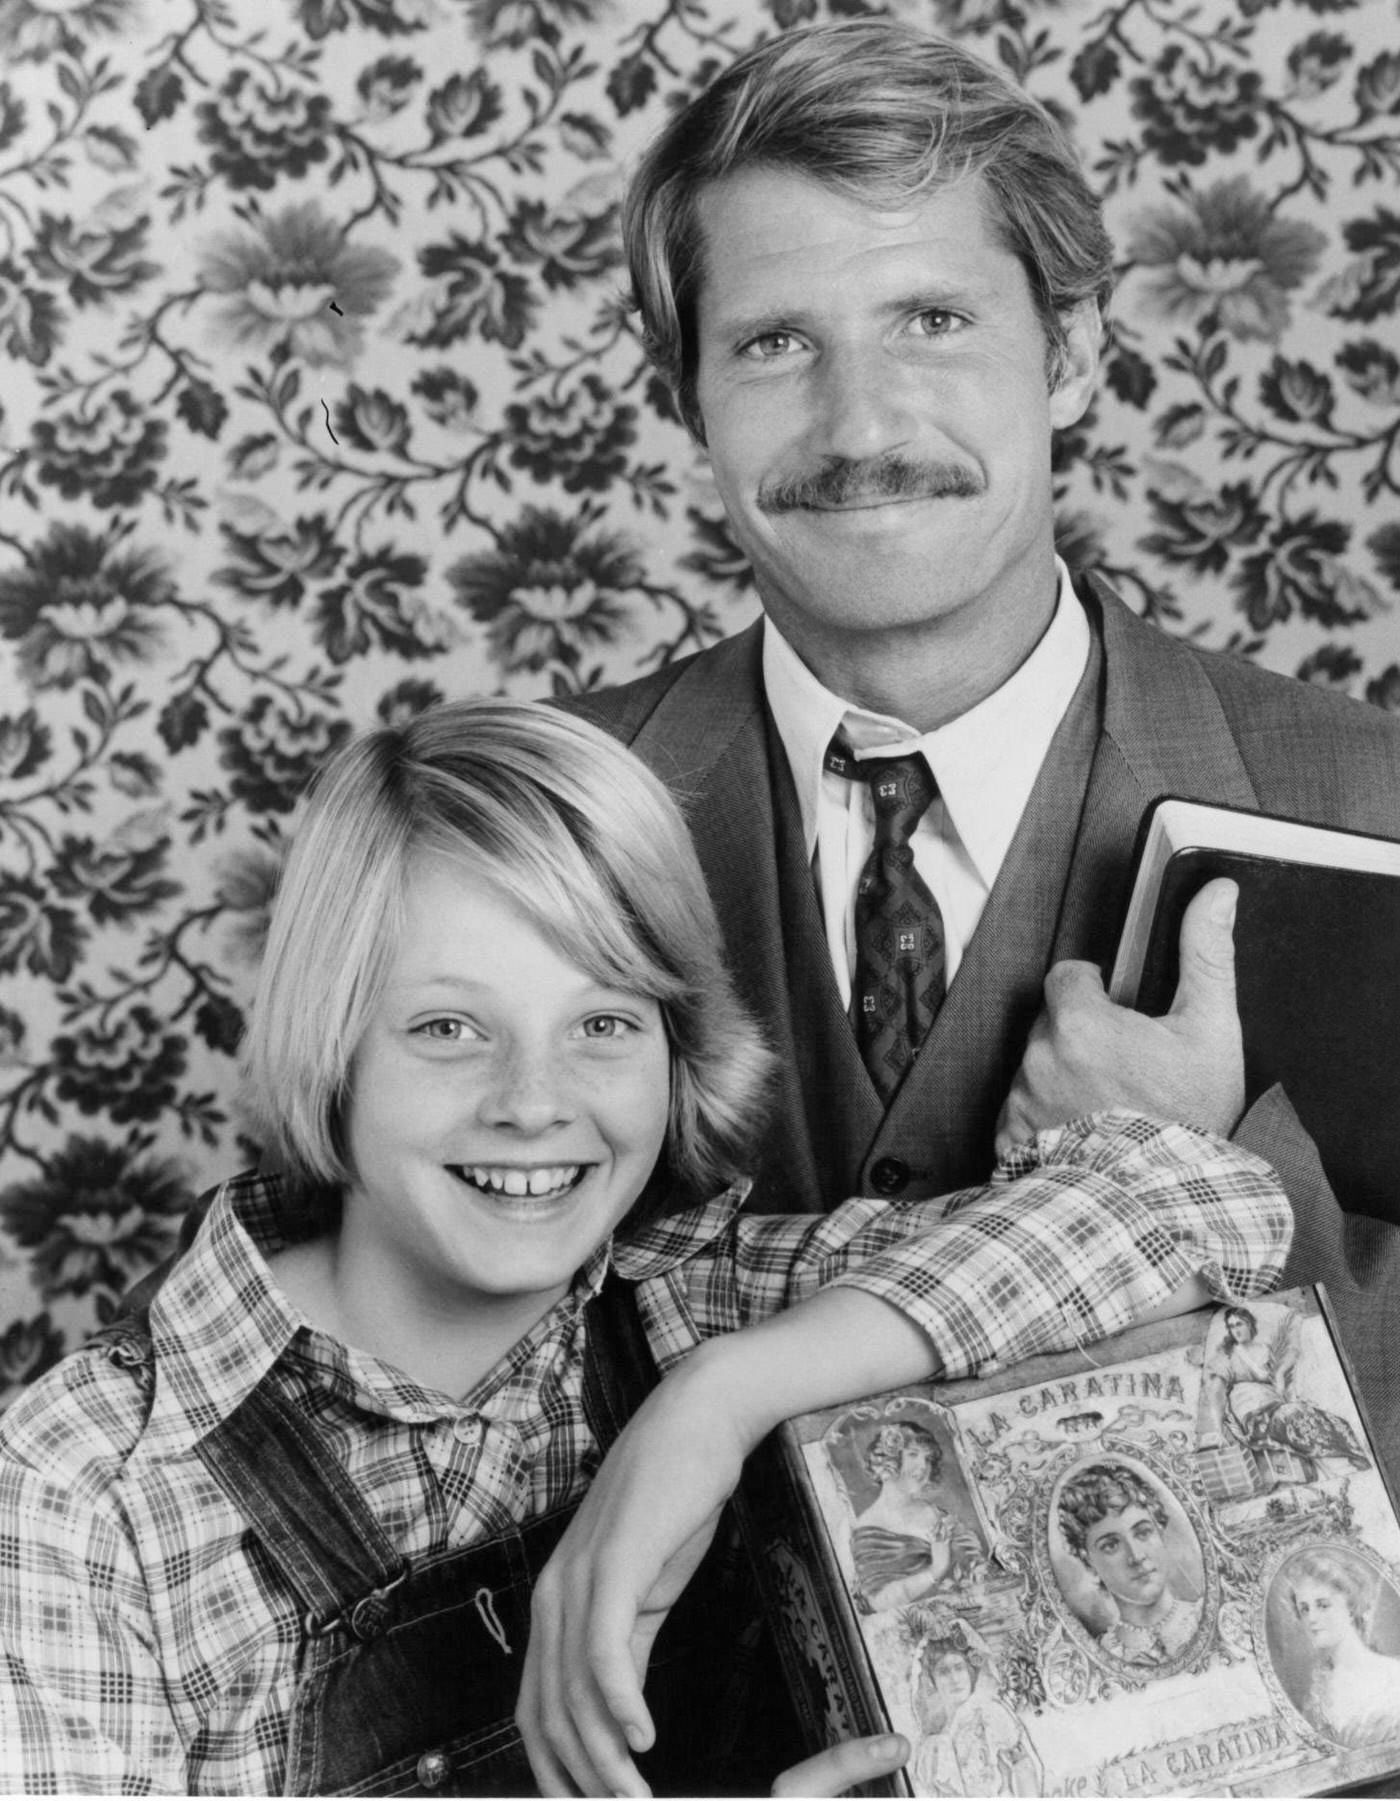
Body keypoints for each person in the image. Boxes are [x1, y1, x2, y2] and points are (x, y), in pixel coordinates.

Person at [0, 700, 1289, 1796]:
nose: (533, 1100)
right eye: (448, 1028)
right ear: (329, 1049)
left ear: (675, 1053)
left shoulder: (711, 1306)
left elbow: (1198, 1202)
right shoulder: (84, 1490)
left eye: (603, 1024)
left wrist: (716, 1401)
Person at [563, 18, 1400, 1497]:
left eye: (932, 321)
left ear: (1070, 352)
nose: (862, 423)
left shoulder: (1370, 803)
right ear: (684, 392)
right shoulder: (543, 820)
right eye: (773, 344)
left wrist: (1195, 1186)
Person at [1056, 1462, 1202, 1667]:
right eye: (1111, 1545)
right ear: (1087, 1559)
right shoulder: (1101, 1654)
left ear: (1159, 1532)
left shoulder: (1204, 1618)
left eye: (1142, 1533)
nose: (1136, 1555)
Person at [1200, 1303, 1369, 1479]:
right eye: (1231, 1326)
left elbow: (1291, 1354)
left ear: (1249, 1324)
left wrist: (1280, 1374)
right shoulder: (1228, 1357)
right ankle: (1342, 1467)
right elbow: (1217, 1393)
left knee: (1326, 1418)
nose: (1236, 1330)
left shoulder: (1265, 1350)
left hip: (1277, 1405)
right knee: (1293, 1416)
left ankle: (1348, 1461)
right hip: (1255, 1415)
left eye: (1239, 1324)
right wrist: (1218, 1430)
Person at [850, 1422, 981, 1613]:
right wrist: (936, 1569)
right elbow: (878, 1603)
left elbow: (975, 1563)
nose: (924, 1466)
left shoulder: (937, 1513)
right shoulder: (868, 1530)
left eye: (928, 1458)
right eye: (913, 1454)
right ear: (888, 1460)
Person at [1280, 1548, 1400, 1751]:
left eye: (1323, 1605)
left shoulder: (1393, 1675)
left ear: (1351, 1607)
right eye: (1304, 1609)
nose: (1312, 1619)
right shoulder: (1315, 1700)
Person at [911, 1635, 1042, 1797]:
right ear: (933, 1681)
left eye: (959, 1668)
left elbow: (1024, 1768)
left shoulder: (990, 1714)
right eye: (943, 1672)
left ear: (970, 1672)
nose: (954, 1679)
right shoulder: (931, 1748)